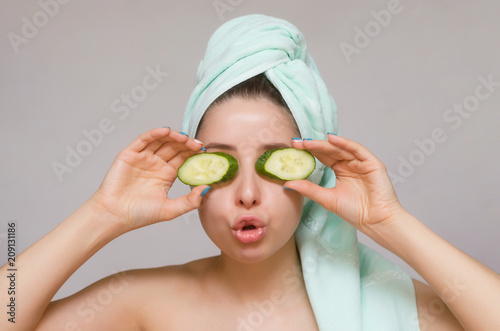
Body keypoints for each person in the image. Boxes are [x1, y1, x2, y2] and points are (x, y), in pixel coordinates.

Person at [2, 14, 499, 331]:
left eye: (273, 162)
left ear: (315, 172)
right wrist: (102, 214)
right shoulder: (139, 302)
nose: (246, 194)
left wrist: (391, 222)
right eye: (220, 163)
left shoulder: (391, 306)